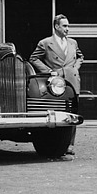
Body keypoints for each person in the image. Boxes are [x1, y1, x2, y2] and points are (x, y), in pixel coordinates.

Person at [29, 14, 84, 155]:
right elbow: (34, 58)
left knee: (72, 113)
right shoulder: (46, 43)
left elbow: (80, 56)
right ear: (56, 26)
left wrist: (75, 68)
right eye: (64, 26)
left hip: (72, 81)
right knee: (57, 111)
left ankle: (70, 145)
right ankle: (56, 144)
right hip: (56, 83)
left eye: (68, 26)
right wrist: (49, 71)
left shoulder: (73, 43)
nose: (67, 29)